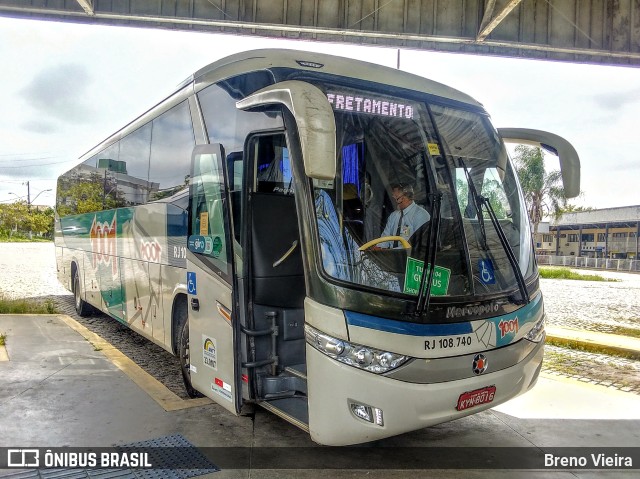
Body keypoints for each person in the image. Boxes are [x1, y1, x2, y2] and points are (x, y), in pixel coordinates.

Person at [378, 184, 430, 248]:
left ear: (405, 197)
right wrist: (379, 247)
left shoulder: (421, 215)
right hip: (391, 255)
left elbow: (416, 243)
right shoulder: (393, 215)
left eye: (396, 198)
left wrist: (394, 252)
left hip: (409, 255)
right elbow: (385, 237)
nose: (393, 202)